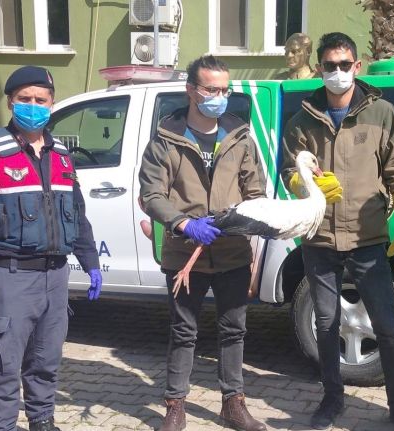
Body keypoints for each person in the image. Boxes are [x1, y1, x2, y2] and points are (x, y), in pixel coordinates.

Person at [280, 32, 394, 431]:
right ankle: (332, 398)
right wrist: (303, 184)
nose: (338, 72)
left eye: (345, 65)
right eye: (330, 66)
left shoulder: (381, 113)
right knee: (326, 324)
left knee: (388, 325)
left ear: (357, 66)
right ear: (320, 68)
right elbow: (290, 172)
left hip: (368, 238)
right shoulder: (302, 119)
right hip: (320, 239)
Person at [0, 66, 103, 431]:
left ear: (51, 103)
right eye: (25, 99)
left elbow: (77, 214)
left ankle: (42, 420)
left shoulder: (61, 155)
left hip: (56, 277)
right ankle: (0, 426)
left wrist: (91, 261)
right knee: (3, 366)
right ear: (10, 102)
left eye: (40, 100)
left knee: (46, 361)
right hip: (11, 276)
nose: (33, 106)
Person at [139, 55, 267, 431]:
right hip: (184, 253)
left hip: (232, 251)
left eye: (225, 90)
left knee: (234, 330)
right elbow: (152, 195)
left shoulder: (240, 138)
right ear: (191, 90)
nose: (219, 97)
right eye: (211, 89)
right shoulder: (165, 140)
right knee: (183, 331)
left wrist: (241, 220)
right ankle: (175, 405)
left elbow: (255, 191)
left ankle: (233, 404)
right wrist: (184, 224)